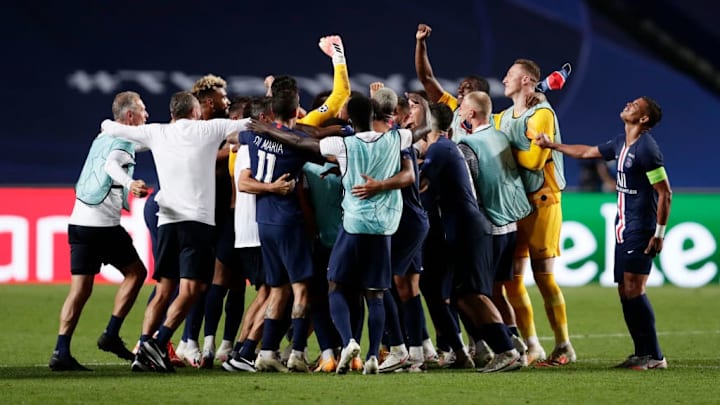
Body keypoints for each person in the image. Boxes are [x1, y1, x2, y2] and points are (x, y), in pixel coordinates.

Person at [248, 95, 428, 375]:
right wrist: (424, 108)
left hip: (354, 225)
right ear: (373, 115)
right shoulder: (396, 139)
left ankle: (348, 342)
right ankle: (371, 356)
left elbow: (301, 142)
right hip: (384, 229)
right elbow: (423, 129)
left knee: (334, 285)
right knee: (376, 294)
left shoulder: (344, 144)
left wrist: (267, 129)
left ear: (350, 120)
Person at [101, 90, 251, 372]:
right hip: (197, 222)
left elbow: (110, 128)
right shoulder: (209, 128)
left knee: (164, 288)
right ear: (195, 112)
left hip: (167, 220)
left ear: (172, 114)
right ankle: (158, 343)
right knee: (194, 288)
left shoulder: (158, 132)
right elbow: (248, 125)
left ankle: (143, 348)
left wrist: (108, 125)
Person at [534, 96, 670, 370]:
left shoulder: (647, 149)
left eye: (636, 105)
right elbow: (586, 152)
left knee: (636, 289)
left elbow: (664, 192)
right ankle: (641, 352)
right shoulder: (621, 143)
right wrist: (552, 145)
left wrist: (659, 233)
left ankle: (654, 356)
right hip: (623, 226)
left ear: (643, 119)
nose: (629, 104)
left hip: (641, 228)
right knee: (625, 290)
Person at [49, 91, 150, 371]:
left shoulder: (102, 137)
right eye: (143, 110)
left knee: (79, 290)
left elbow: (137, 147)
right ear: (129, 116)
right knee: (137, 273)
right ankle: (111, 334)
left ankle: (61, 350)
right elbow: (111, 165)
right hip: (103, 226)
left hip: (79, 222)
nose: (146, 115)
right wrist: (130, 184)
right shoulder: (123, 140)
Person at [420, 103, 522, 373]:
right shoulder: (442, 148)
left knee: (473, 293)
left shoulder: (441, 147)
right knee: (461, 296)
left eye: (414, 113)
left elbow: (418, 183)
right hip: (461, 228)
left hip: (467, 229)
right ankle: (501, 346)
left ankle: (507, 349)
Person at [494, 58, 575, 365]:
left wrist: (502, 150)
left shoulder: (542, 113)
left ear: (526, 80)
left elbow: (534, 161)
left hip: (543, 202)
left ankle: (564, 345)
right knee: (512, 280)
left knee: (544, 278)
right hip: (515, 205)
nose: (504, 79)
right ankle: (532, 345)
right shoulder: (502, 117)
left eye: (510, 75)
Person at [456, 91, 534, 366]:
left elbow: (469, 189)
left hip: (488, 226)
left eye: (462, 108)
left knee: (476, 293)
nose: (459, 112)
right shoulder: (500, 136)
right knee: (497, 291)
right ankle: (516, 344)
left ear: (472, 114)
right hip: (510, 225)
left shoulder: (468, 144)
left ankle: (504, 350)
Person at [414, 23, 490, 142]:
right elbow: (426, 78)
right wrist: (420, 42)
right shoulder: (452, 106)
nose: (460, 90)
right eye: (460, 86)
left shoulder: (494, 123)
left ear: (480, 96)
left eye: (467, 87)